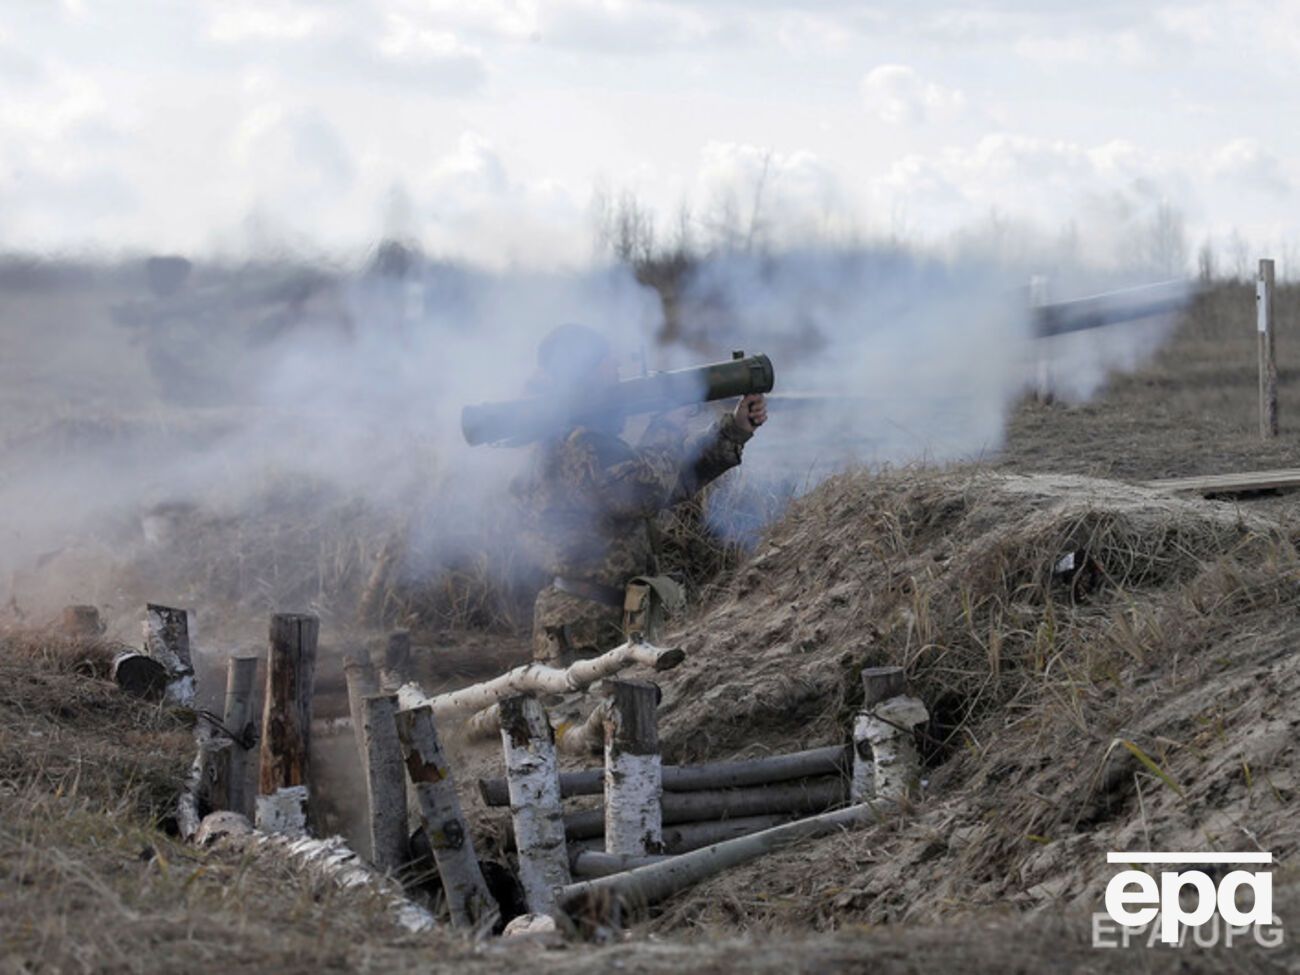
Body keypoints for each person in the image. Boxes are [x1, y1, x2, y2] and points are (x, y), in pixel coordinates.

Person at [514, 323, 766, 665]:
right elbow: (645, 492)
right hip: (584, 627)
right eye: (609, 368)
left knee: (622, 714)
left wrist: (733, 431)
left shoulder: (588, 439)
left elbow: (665, 485)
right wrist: (668, 425)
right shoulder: (577, 444)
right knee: (582, 717)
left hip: (606, 616)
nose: (619, 377)